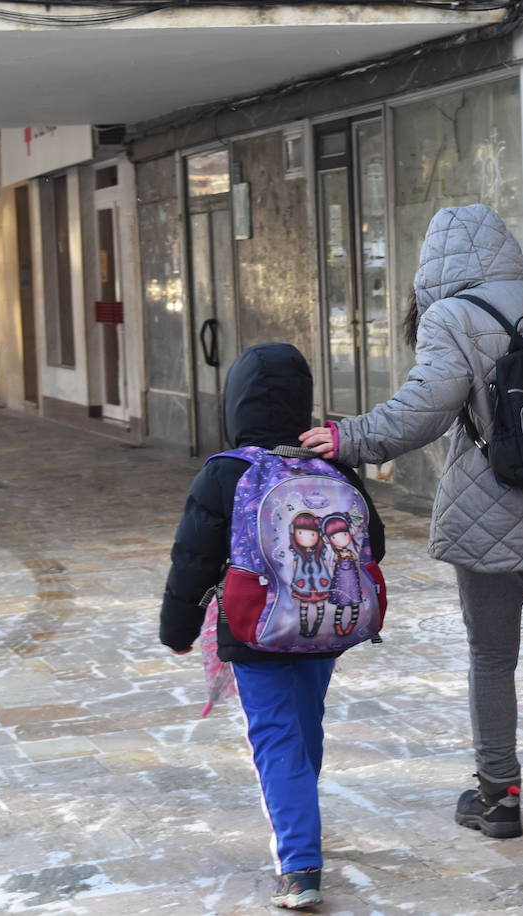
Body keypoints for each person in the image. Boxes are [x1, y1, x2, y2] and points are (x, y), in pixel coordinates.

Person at [300, 203, 523, 866]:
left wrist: (349, 438)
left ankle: (499, 797)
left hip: (487, 522)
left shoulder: (449, 318)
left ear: (433, 270)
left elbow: (421, 412)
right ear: (508, 253)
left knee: (492, 660)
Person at [160, 343, 385, 910]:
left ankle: (300, 862)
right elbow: (371, 544)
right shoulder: (333, 467)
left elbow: (192, 558)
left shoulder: (226, 472)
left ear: (235, 402)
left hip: (253, 624)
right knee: (306, 723)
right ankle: (301, 824)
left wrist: (178, 627)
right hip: (323, 622)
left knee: (275, 735)